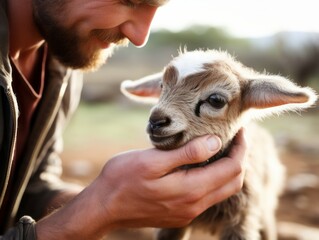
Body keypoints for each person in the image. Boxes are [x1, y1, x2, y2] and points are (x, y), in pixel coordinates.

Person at [0, 0, 247, 239]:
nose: (139, 37)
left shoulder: (61, 62)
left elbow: (27, 192)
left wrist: (126, 199)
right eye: (129, 1)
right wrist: (102, 209)